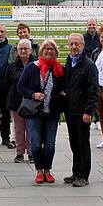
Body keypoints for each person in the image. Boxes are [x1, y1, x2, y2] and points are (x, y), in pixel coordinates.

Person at [18, 39, 66, 184]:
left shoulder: (59, 69)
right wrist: (33, 94)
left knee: (50, 144)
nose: (49, 51)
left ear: (56, 52)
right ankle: (39, 170)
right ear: (41, 51)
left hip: (52, 112)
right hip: (35, 113)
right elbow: (21, 86)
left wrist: (62, 93)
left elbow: (64, 86)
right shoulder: (32, 67)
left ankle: (47, 170)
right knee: (36, 144)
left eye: (52, 49)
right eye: (46, 49)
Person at [63, 34, 99, 186]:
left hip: (82, 111)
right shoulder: (69, 62)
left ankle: (84, 175)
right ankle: (76, 172)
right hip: (70, 110)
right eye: (71, 44)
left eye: (77, 44)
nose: (74, 47)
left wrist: (89, 111)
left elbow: (94, 91)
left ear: (83, 46)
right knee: (74, 143)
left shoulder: (89, 65)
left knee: (83, 143)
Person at [5, 39, 36, 163]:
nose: (23, 51)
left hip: (31, 102)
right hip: (16, 102)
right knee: (18, 128)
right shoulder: (12, 66)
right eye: (20, 49)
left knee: (30, 128)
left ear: (30, 50)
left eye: (25, 49)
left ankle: (31, 152)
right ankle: (19, 152)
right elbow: (6, 83)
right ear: (17, 51)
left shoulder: (36, 64)